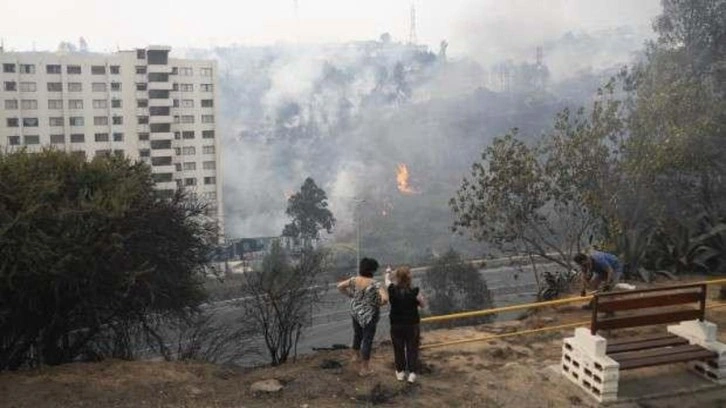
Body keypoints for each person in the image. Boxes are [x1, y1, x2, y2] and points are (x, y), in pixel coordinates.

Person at [337, 257, 388, 376]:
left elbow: (340, 286)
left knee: (357, 333)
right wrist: (378, 303)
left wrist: (351, 295)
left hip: (355, 311)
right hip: (370, 315)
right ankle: (364, 369)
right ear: (372, 270)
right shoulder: (375, 284)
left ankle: (355, 356)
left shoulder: (354, 280)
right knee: (367, 339)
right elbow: (385, 299)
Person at [385, 265, 425, 384]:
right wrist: (418, 301)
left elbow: (387, 280)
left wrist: (388, 272)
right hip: (412, 324)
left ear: (397, 277)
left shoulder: (392, 289)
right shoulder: (414, 291)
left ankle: (400, 372)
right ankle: (412, 373)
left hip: (396, 324)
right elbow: (422, 304)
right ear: (409, 278)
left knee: (398, 348)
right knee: (412, 348)